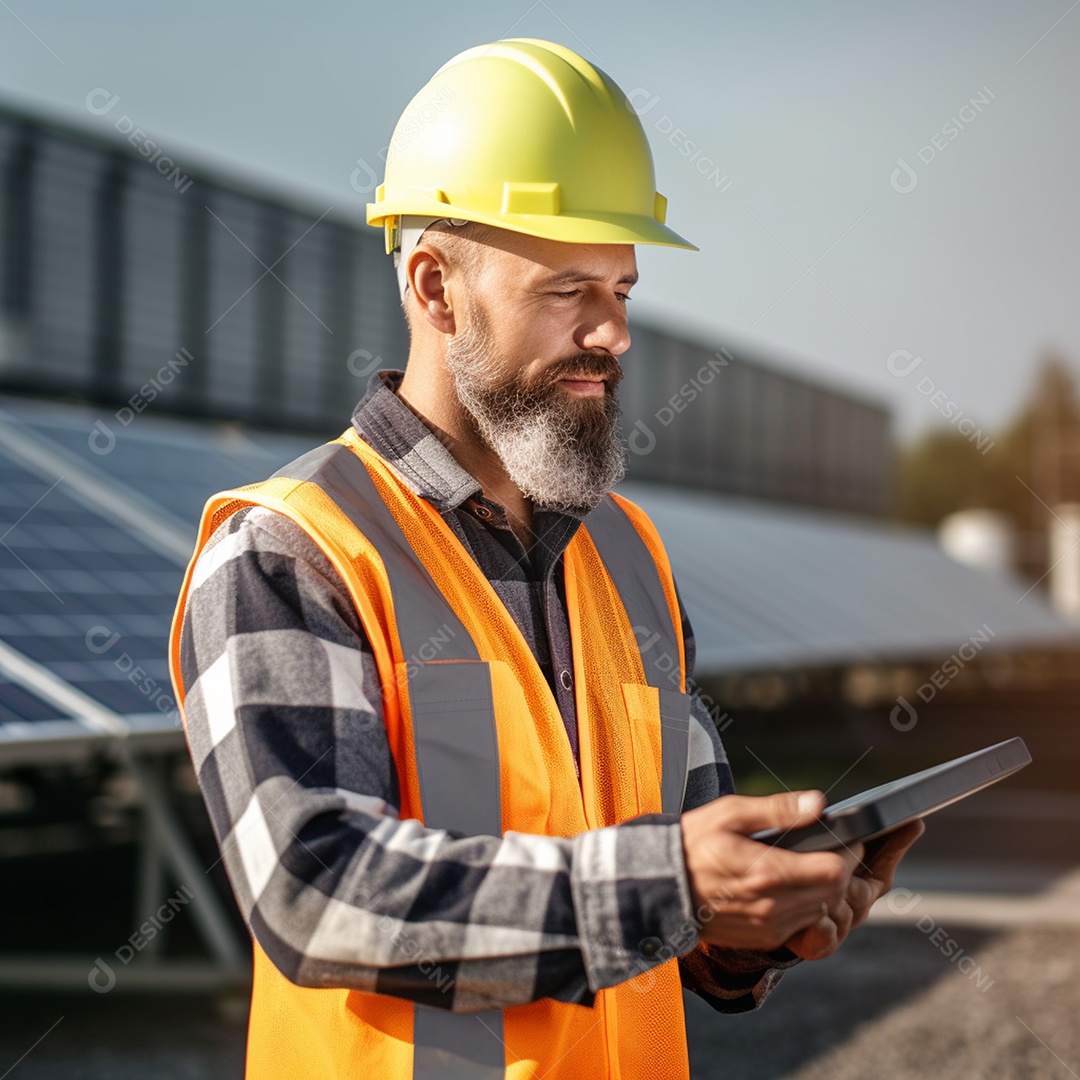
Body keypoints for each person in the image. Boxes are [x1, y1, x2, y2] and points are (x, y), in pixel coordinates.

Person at [168, 37, 922, 1079]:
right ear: (436, 288)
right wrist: (671, 889)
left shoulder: (628, 554)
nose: (612, 333)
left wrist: (759, 920)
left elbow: (676, 876)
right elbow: (316, 891)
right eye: (570, 289)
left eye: (622, 288)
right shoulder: (292, 549)